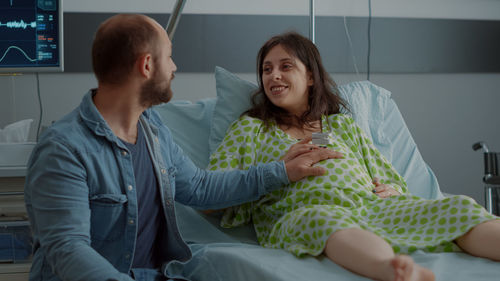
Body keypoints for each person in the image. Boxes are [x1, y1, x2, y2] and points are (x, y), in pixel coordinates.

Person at [23, 15, 341, 281]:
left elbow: (200, 188)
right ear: (147, 65)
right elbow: (68, 251)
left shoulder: (153, 131)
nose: (175, 67)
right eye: (170, 56)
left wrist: (281, 172)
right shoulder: (64, 150)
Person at [207, 31, 500, 281]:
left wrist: (393, 188)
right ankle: (391, 269)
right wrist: (279, 169)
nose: (274, 75)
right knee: (326, 220)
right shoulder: (251, 128)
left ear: (310, 76)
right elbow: (212, 191)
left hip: (369, 206)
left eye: (286, 66)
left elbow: (382, 171)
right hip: (303, 211)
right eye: (266, 69)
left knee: (456, 207)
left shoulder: (340, 124)